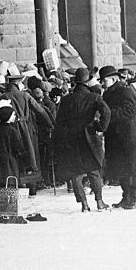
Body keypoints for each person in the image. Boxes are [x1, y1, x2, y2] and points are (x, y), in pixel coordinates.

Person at [53, 68, 111, 212]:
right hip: (90, 136)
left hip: (71, 139)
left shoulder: (66, 100)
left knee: (76, 173)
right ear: (87, 82)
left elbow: (59, 122)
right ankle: (99, 202)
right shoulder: (94, 97)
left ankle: (84, 204)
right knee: (93, 170)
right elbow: (107, 112)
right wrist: (100, 127)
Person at [100, 66, 136, 208]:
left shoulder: (125, 91)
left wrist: (109, 115)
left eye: (105, 80)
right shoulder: (107, 94)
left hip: (128, 136)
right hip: (115, 137)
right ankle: (126, 197)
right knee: (121, 168)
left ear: (113, 79)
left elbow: (129, 111)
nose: (102, 82)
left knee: (132, 168)